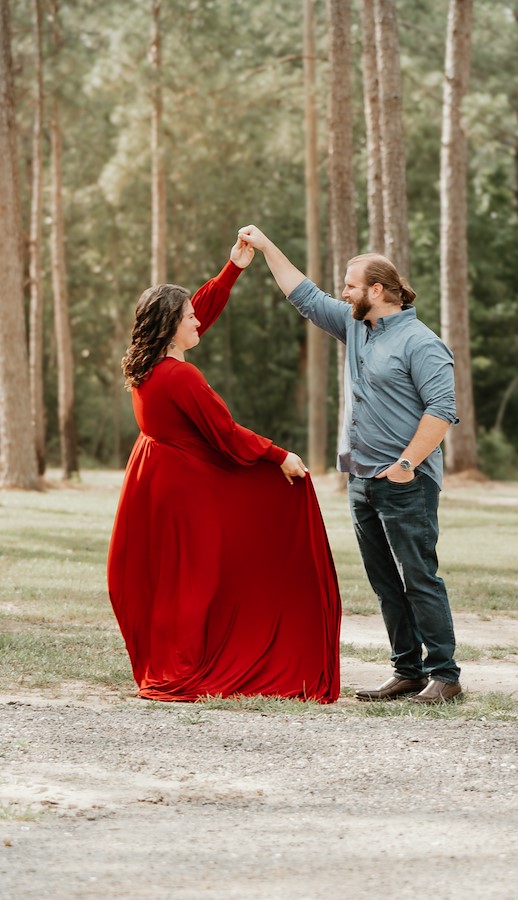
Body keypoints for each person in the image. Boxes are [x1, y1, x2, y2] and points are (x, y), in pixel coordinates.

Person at [107, 237, 341, 703]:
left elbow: (197, 315)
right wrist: (279, 455)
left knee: (173, 576)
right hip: (184, 487)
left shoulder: (149, 366)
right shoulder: (181, 376)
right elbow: (226, 432)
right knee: (195, 577)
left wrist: (231, 270)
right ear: (171, 327)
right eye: (189, 317)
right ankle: (185, 665)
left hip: (153, 480)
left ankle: (174, 658)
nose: (199, 319)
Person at [238, 225, 462, 704]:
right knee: (385, 582)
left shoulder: (422, 343)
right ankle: (408, 671)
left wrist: (405, 464)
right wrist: (264, 245)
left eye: (351, 285)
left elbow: (441, 411)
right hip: (361, 479)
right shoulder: (357, 327)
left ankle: (445, 675)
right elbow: (305, 295)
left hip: (407, 482)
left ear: (377, 291)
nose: (343, 292)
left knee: (419, 576)